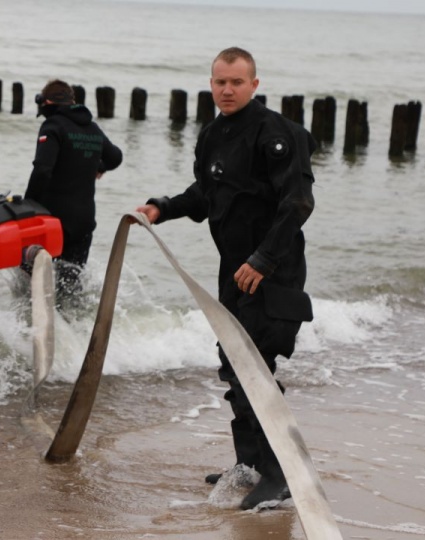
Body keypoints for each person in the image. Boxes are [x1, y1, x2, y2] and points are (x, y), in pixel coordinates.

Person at [135, 47, 316, 510]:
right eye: (219, 82)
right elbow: (206, 194)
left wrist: (262, 260)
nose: (227, 90)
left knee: (257, 369)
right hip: (233, 273)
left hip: (273, 271)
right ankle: (250, 464)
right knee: (234, 366)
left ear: (254, 83)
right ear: (211, 83)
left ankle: (280, 475)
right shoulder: (214, 134)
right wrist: (163, 207)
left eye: (236, 82)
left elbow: (297, 203)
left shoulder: (279, 134)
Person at [23, 79, 123, 306]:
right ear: (72, 101)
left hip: (53, 220)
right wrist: (100, 167)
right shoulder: (91, 128)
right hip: (83, 221)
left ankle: (37, 333)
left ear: (46, 102)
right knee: (69, 290)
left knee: (37, 287)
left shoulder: (52, 126)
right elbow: (115, 157)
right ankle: (74, 332)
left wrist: (28, 204)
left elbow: (42, 170)